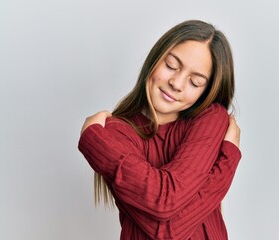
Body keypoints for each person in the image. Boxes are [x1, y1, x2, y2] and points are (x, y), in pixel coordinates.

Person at [78, 20, 242, 240]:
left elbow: (167, 223)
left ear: (206, 92)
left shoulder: (209, 118)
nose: (177, 83)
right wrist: (226, 163)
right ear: (155, 58)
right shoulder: (116, 133)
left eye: (195, 82)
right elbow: (166, 227)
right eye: (171, 66)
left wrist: (97, 145)